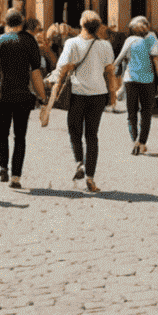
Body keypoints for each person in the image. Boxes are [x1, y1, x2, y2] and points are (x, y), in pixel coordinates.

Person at [41, 11, 118, 194]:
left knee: (74, 129)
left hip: (77, 94)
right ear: (98, 27)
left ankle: (80, 162)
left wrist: (53, 96)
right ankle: (90, 177)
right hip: (99, 94)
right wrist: (113, 95)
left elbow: (61, 70)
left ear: (81, 25)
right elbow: (110, 72)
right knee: (92, 135)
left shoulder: (72, 43)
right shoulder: (105, 45)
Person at [0, 8, 45, 188]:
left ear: (5, 22)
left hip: (1, 95)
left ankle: (3, 168)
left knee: (1, 134)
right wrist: (42, 96)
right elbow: (36, 72)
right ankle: (16, 177)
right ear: (21, 23)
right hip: (23, 95)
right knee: (20, 136)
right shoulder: (30, 41)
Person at [115, 16, 158, 157]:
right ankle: (141, 142)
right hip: (147, 80)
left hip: (131, 80)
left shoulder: (129, 41)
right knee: (146, 112)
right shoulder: (152, 39)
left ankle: (135, 141)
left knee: (131, 113)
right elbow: (157, 55)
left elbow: (122, 60)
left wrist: (120, 84)